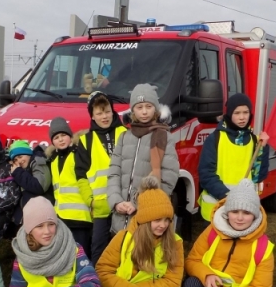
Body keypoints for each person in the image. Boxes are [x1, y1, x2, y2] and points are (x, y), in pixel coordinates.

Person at [181, 179, 274, 287]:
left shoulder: (264, 247)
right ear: (227, 212)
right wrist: (207, 275)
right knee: (192, 285)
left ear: (255, 214)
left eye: (246, 212)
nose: (239, 217)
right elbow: (192, 260)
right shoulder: (211, 231)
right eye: (235, 211)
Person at [108, 83, 180, 234]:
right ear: (132, 110)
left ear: (156, 109)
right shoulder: (124, 137)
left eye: (149, 106)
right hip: (120, 219)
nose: (144, 112)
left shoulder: (164, 137)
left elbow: (168, 177)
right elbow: (114, 173)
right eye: (139, 107)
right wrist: (116, 202)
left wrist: (138, 203)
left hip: (147, 218)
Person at [197, 93, 269, 221]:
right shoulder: (216, 138)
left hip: (244, 212)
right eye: (237, 113)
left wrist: (263, 148)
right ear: (229, 114)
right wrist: (229, 196)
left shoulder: (255, 141)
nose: (242, 117)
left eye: (246, 112)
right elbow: (206, 174)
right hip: (216, 210)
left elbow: (259, 176)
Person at [75, 91, 127, 264]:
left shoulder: (126, 134)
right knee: (98, 249)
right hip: (101, 207)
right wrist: (90, 201)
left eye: (107, 111)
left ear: (112, 111)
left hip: (124, 203)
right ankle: (97, 286)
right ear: (92, 116)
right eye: (99, 113)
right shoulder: (85, 140)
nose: (104, 117)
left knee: (124, 248)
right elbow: (80, 176)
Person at [46, 117, 93, 258]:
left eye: (64, 135)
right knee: (66, 257)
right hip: (61, 218)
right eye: (56, 137)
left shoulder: (78, 154)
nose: (60, 140)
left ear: (70, 137)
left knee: (82, 257)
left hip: (81, 218)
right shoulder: (53, 161)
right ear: (52, 142)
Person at [9, 139, 52, 227]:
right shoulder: (24, 170)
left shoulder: (37, 160)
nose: (19, 161)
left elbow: (40, 186)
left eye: (20, 157)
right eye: (15, 160)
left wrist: (18, 172)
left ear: (28, 153)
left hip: (42, 216)